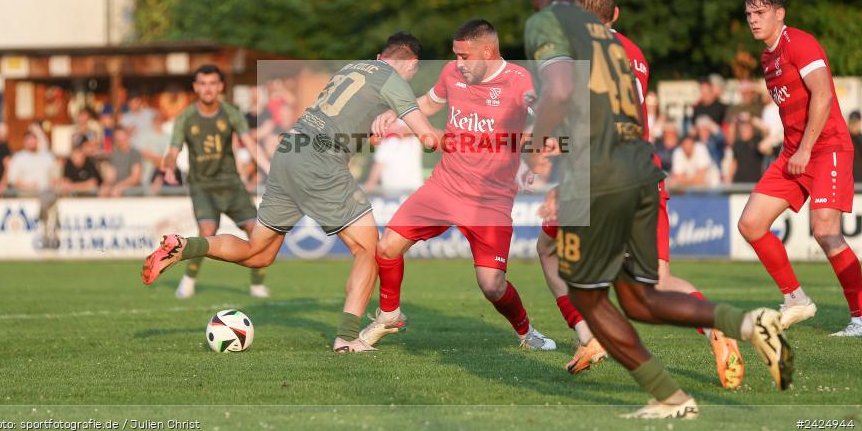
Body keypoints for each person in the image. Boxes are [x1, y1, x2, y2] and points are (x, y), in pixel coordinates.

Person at [519, 0, 792, 419]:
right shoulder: (635, 53)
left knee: (570, 273)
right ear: (616, 14)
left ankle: (605, 348)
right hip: (645, 175)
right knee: (650, 290)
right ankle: (735, 325)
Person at [142, 34, 442, 352]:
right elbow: (425, 134)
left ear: (381, 55)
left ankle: (186, 246)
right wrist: (451, 138)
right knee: (369, 249)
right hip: (319, 160)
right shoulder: (394, 78)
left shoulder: (351, 69)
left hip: (289, 151)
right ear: (411, 63)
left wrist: (385, 122)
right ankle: (347, 338)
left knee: (259, 252)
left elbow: (348, 118)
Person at [531, 0, 740, 390]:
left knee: (548, 248)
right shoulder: (636, 54)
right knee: (657, 280)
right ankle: (715, 324)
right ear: (616, 15)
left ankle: (589, 336)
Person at [359, 20, 557, 352]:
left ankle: (526, 332)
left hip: (490, 198)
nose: (458, 63)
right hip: (445, 186)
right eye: (456, 56)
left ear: (488, 51)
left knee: (492, 286)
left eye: (465, 56)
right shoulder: (452, 73)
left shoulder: (518, 81)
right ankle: (389, 314)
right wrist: (395, 115)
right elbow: (430, 103)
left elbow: (549, 120)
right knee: (387, 247)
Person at [739, 0, 862, 337]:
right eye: (749, 14)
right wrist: (797, 149)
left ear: (779, 14)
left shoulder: (799, 42)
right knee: (751, 224)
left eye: (760, 12)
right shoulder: (767, 58)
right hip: (795, 151)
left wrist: (806, 148)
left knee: (826, 232)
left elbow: (824, 94)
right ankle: (796, 298)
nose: (753, 20)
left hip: (825, 147)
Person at [152, 65, 269, 299]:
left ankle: (257, 284)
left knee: (257, 232)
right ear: (196, 87)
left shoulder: (231, 113)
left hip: (231, 184)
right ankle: (189, 281)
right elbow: (173, 150)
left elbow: (249, 143)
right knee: (207, 230)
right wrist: (169, 166)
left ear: (220, 87)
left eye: (213, 83)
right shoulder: (186, 117)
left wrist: (270, 168)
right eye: (203, 84)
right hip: (202, 185)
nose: (208, 89)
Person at [362, 119, 423, 195]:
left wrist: (369, 185)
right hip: (409, 190)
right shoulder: (415, 141)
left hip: (396, 191)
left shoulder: (413, 141)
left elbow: (377, 167)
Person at [7, 126, 57, 193]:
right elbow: (13, 180)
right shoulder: (18, 158)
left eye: (33, 139)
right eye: (28, 139)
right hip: (25, 198)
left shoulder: (48, 157)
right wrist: (28, 186)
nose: (31, 142)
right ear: (24, 141)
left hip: (45, 197)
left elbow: (55, 178)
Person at [100, 127, 143, 197]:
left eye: (122, 137)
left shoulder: (135, 153)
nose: (120, 140)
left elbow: (135, 178)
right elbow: (110, 175)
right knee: (104, 191)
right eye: (118, 138)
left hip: (131, 188)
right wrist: (106, 185)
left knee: (115, 192)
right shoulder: (114, 154)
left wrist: (118, 186)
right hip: (116, 187)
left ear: (127, 136)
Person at [728, 114, 766, 184]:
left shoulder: (757, 140)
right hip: (738, 183)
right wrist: (729, 179)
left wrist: (751, 118)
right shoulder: (737, 143)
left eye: (747, 126)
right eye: (742, 126)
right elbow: (734, 163)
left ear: (751, 127)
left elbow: (766, 130)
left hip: (755, 183)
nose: (744, 128)